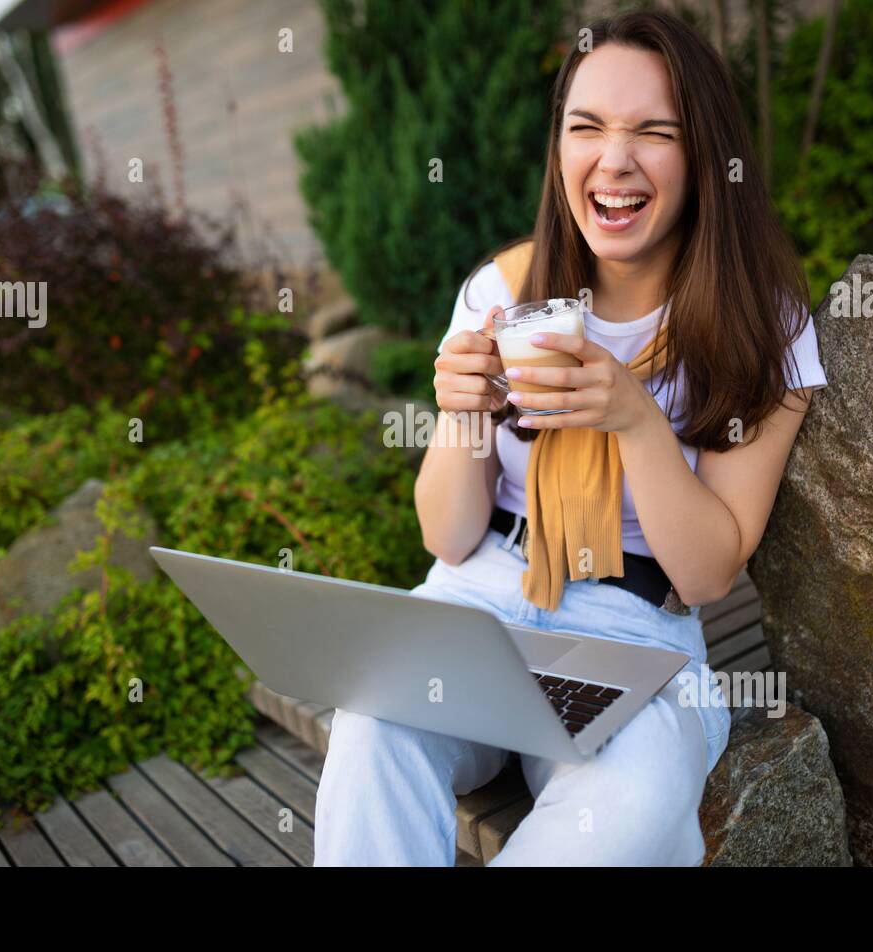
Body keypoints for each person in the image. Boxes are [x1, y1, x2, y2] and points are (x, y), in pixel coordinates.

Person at [313, 8, 827, 867]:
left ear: (704, 156)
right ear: (559, 149)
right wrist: (462, 416)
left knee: (633, 800)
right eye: (586, 127)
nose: (613, 160)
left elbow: (707, 571)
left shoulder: (760, 325)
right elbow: (445, 535)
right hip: (473, 599)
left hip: (632, 630)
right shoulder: (503, 291)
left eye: (653, 133)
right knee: (369, 732)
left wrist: (633, 417)